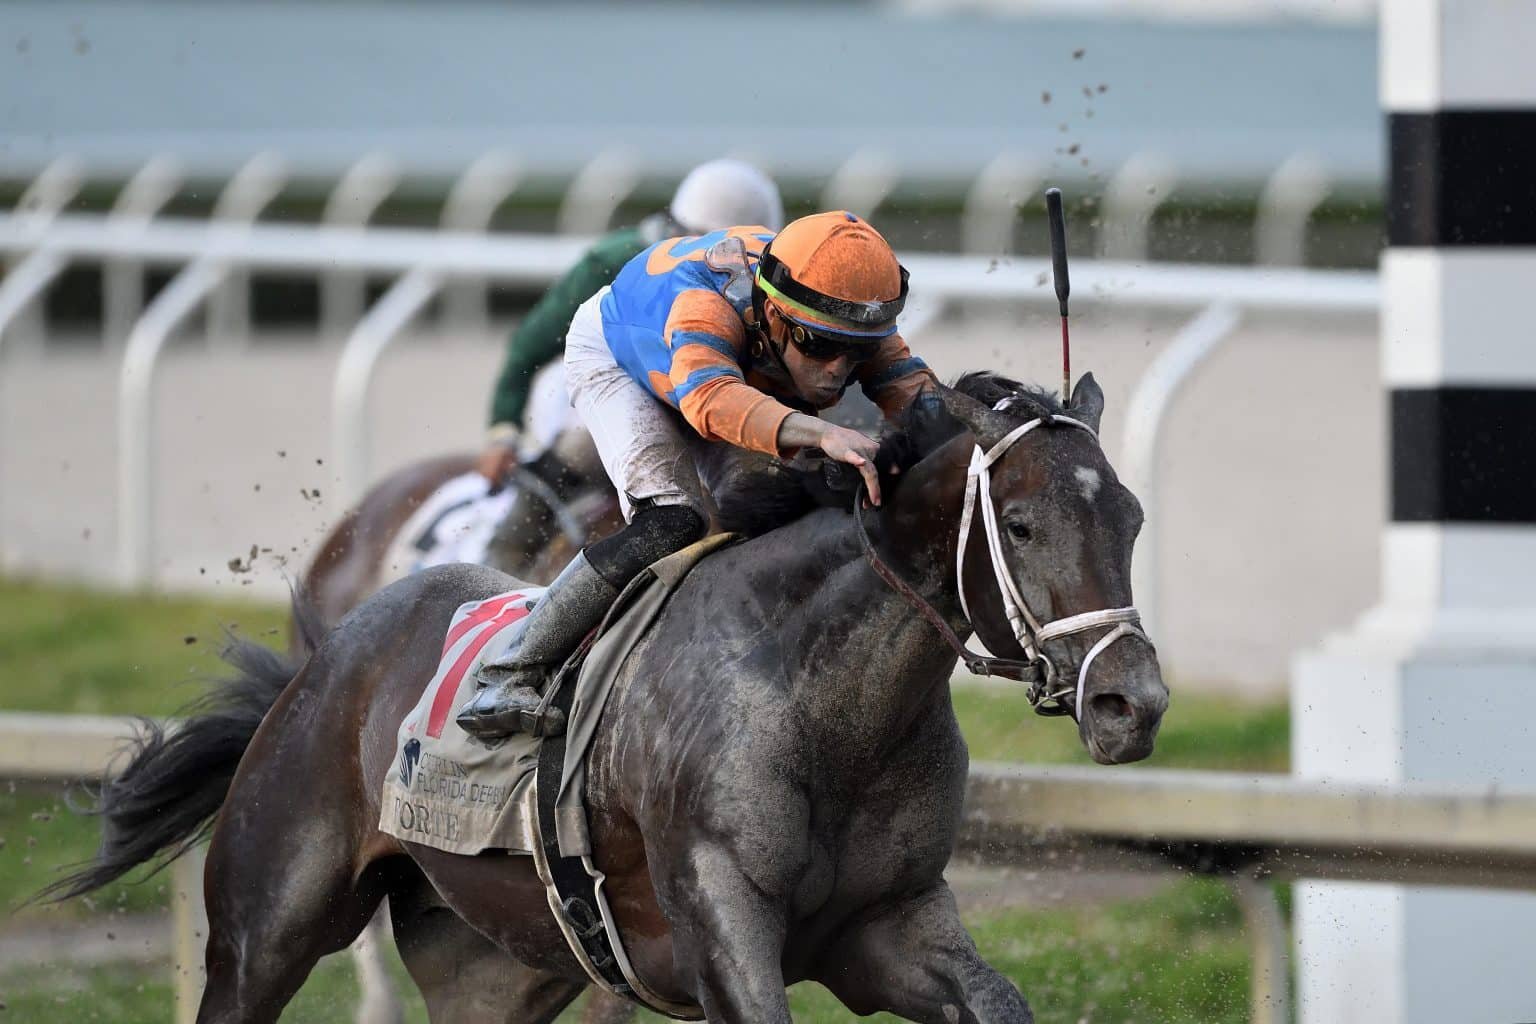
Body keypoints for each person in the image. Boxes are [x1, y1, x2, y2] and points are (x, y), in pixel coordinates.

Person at [457, 210, 934, 738]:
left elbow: (927, 406)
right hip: (624, 362)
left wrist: (1006, 427)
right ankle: (511, 669)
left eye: (858, 353)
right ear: (774, 314)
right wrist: (821, 433)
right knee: (672, 521)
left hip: (731, 374)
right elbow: (708, 402)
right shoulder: (705, 307)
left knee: (768, 505)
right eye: (819, 347)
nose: (837, 371)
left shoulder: (846, 312)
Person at [476, 159, 785, 486]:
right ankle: (533, 507)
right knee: (596, 442)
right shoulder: (612, 262)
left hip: (684, 389)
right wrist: (503, 431)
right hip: (590, 381)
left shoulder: (762, 278)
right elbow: (527, 347)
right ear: (680, 232)